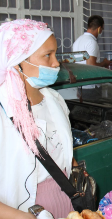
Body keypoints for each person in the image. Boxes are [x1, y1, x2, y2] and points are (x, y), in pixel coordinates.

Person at [0, 20, 75, 218]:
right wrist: (19, 216)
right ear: (17, 62)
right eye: (47, 56)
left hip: (64, 200)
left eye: (55, 54)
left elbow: (59, 148)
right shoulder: (3, 111)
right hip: (22, 211)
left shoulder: (54, 99)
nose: (56, 63)